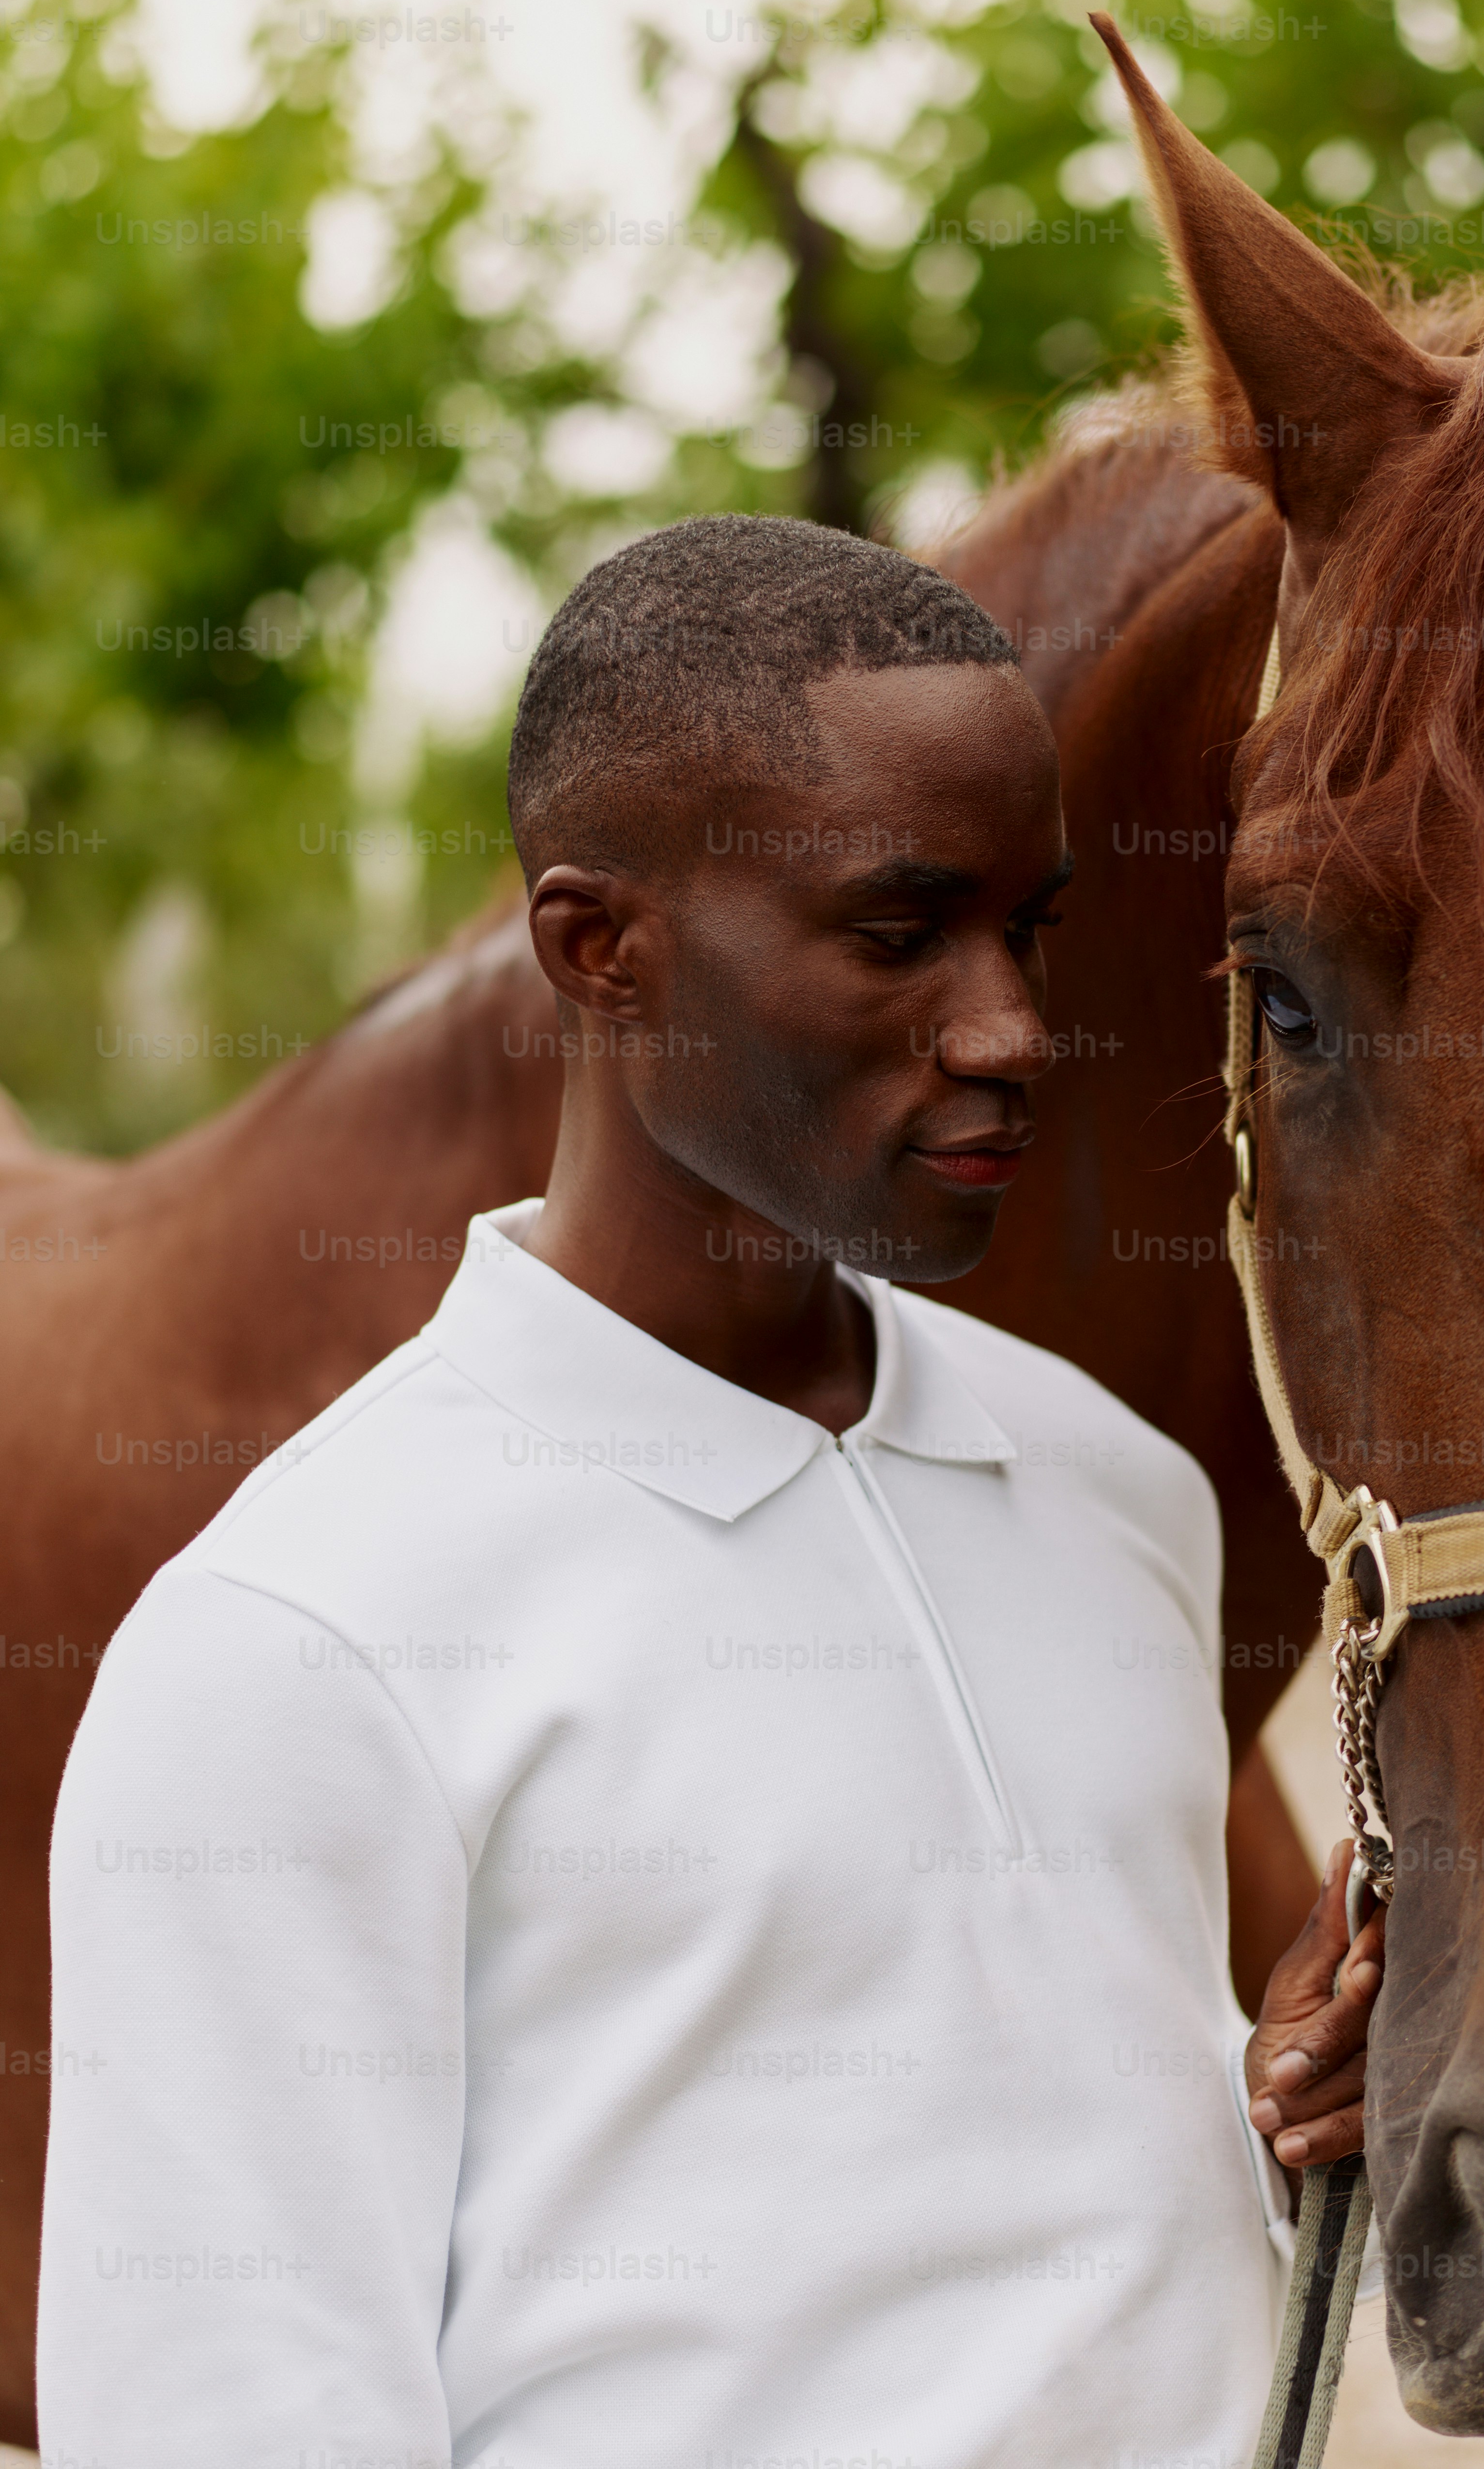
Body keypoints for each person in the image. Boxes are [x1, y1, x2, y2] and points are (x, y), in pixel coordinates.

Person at [40, 517, 1381, 2469]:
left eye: (1033, 926)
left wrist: (1256, 2125)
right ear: (603, 947)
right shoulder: (299, 1647)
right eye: (900, 932)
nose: (1013, 1027)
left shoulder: (1118, 1494)